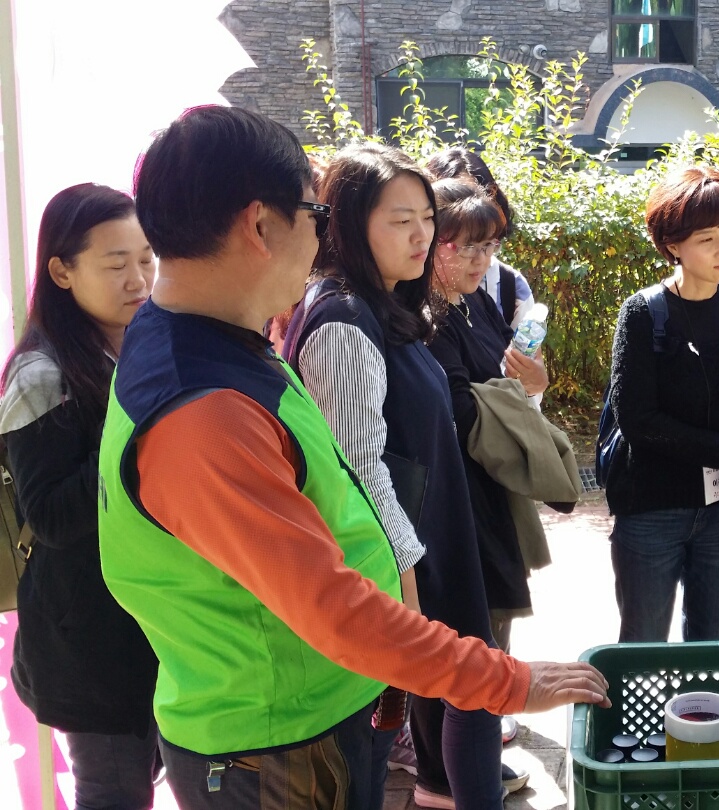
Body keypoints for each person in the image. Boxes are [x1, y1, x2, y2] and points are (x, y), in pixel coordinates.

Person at [97, 106, 608, 810]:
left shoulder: (212, 337)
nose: (322, 234)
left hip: (314, 711)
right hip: (273, 748)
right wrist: (510, 681)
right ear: (261, 225)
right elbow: (333, 608)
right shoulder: (202, 412)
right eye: (316, 212)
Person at [282, 143, 530, 808]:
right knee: (467, 695)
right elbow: (356, 471)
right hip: (407, 553)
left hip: (433, 536)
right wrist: (405, 576)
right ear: (348, 222)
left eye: (425, 217)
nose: (421, 234)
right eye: (400, 220)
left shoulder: (386, 303)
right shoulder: (340, 318)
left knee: (457, 699)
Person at [0, 184, 159, 810]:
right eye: (116, 263)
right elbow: (55, 516)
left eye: (146, 257)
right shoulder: (41, 375)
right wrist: (139, 420)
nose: (138, 277)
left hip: (144, 619)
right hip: (88, 636)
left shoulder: (131, 346)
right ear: (61, 271)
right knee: (113, 791)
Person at [605, 167, 719, 642]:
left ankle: (702, 720)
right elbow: (636, 418)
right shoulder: (643, 313)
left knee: (713, 644)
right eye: (706, 239)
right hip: (652, 508)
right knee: (644, 647)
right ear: (673, 245)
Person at [426, 178, 550, 764]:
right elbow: (456, 406)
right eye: (465, 246)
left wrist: (531, 384)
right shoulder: (428, 316)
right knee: (467, 642)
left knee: (492, 628)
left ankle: (476, 762)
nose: (481, 260)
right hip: (457, 500)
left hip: (490, 489)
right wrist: (511, 392)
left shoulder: (473, 302)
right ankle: (454, 775)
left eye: (489, 246)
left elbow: (504, 377)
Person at [427, 147, 535, 328]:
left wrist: (531, 357)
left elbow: (526, 352)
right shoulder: (413, 309)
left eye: (487, 245)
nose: (480, 258)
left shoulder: (505, 288)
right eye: (452, 195)